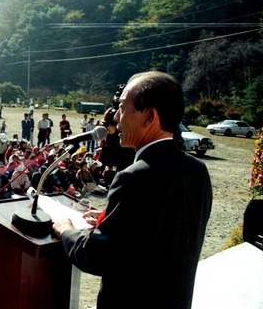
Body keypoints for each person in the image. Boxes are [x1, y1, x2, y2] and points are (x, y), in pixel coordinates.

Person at [53, 71, 213, 309]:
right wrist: (110, 217)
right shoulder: (197, 171)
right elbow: (159, 230)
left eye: (122, 108)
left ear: (149, 116)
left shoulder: (134, 177)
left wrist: (65, 230)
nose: (116, 118)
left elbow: (96, 256)